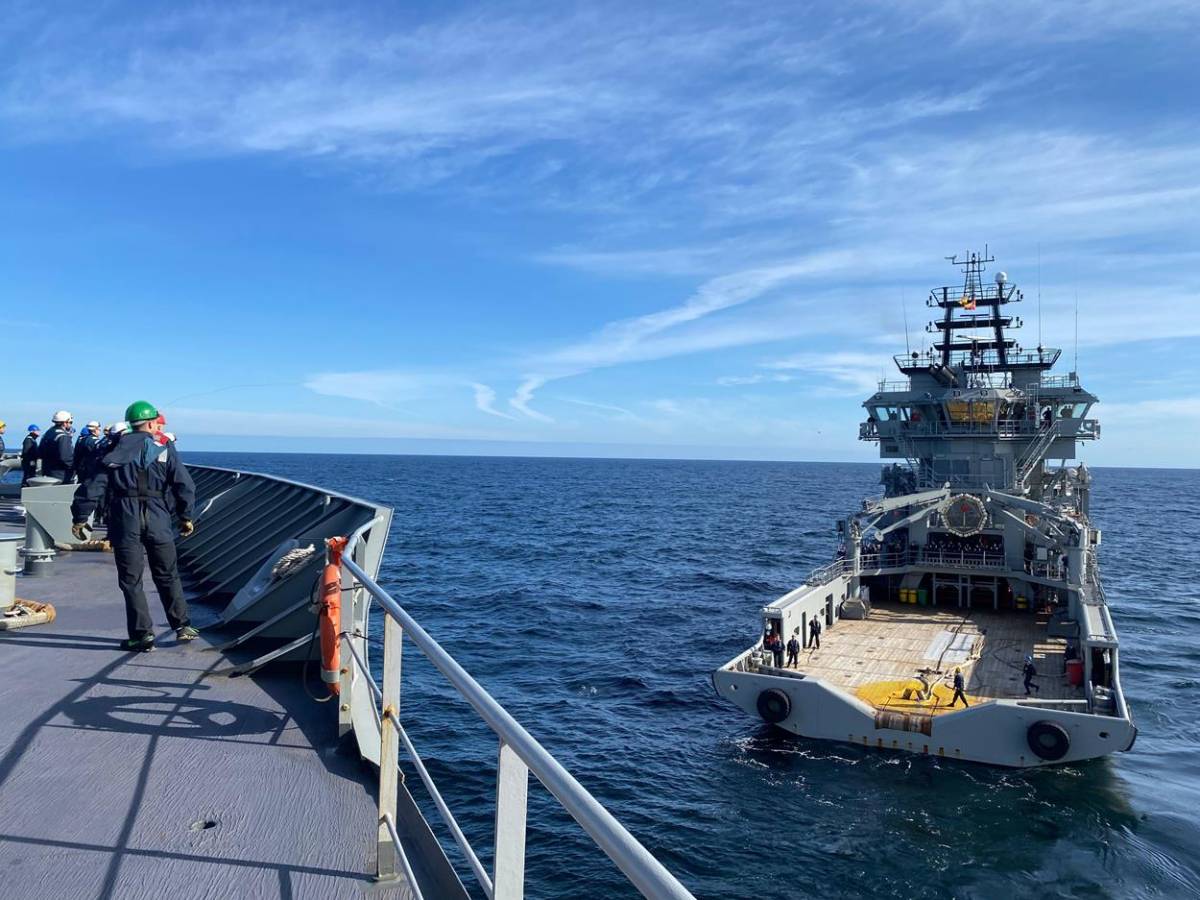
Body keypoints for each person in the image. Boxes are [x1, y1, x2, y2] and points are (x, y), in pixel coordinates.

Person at [71, 400, 198, 652]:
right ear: (152, 423)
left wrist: (80, 516)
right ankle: (182, 626)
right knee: (167, 574)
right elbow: (184, 485)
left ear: (131, 423)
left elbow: (94, 485)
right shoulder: (164, 446)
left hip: (124, 517)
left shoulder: (113, 446)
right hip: (158, 516)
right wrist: (185, 516)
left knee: (131, 580)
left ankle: (142, 635)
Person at [39, 410, 75, 482]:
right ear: (65, 422)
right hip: (60, 473)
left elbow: (40, 452)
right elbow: (66, 457)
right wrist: (74, 468)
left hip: (47, 470)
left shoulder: (48, 433)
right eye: (70, 422)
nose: (71, 425)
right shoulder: (63, 436)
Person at [74, 421, 105, 485]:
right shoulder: (93, 440)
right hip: (90, 470)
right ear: (95, 429)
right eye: (99, 429)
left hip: (81, 469)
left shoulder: (82, 440)